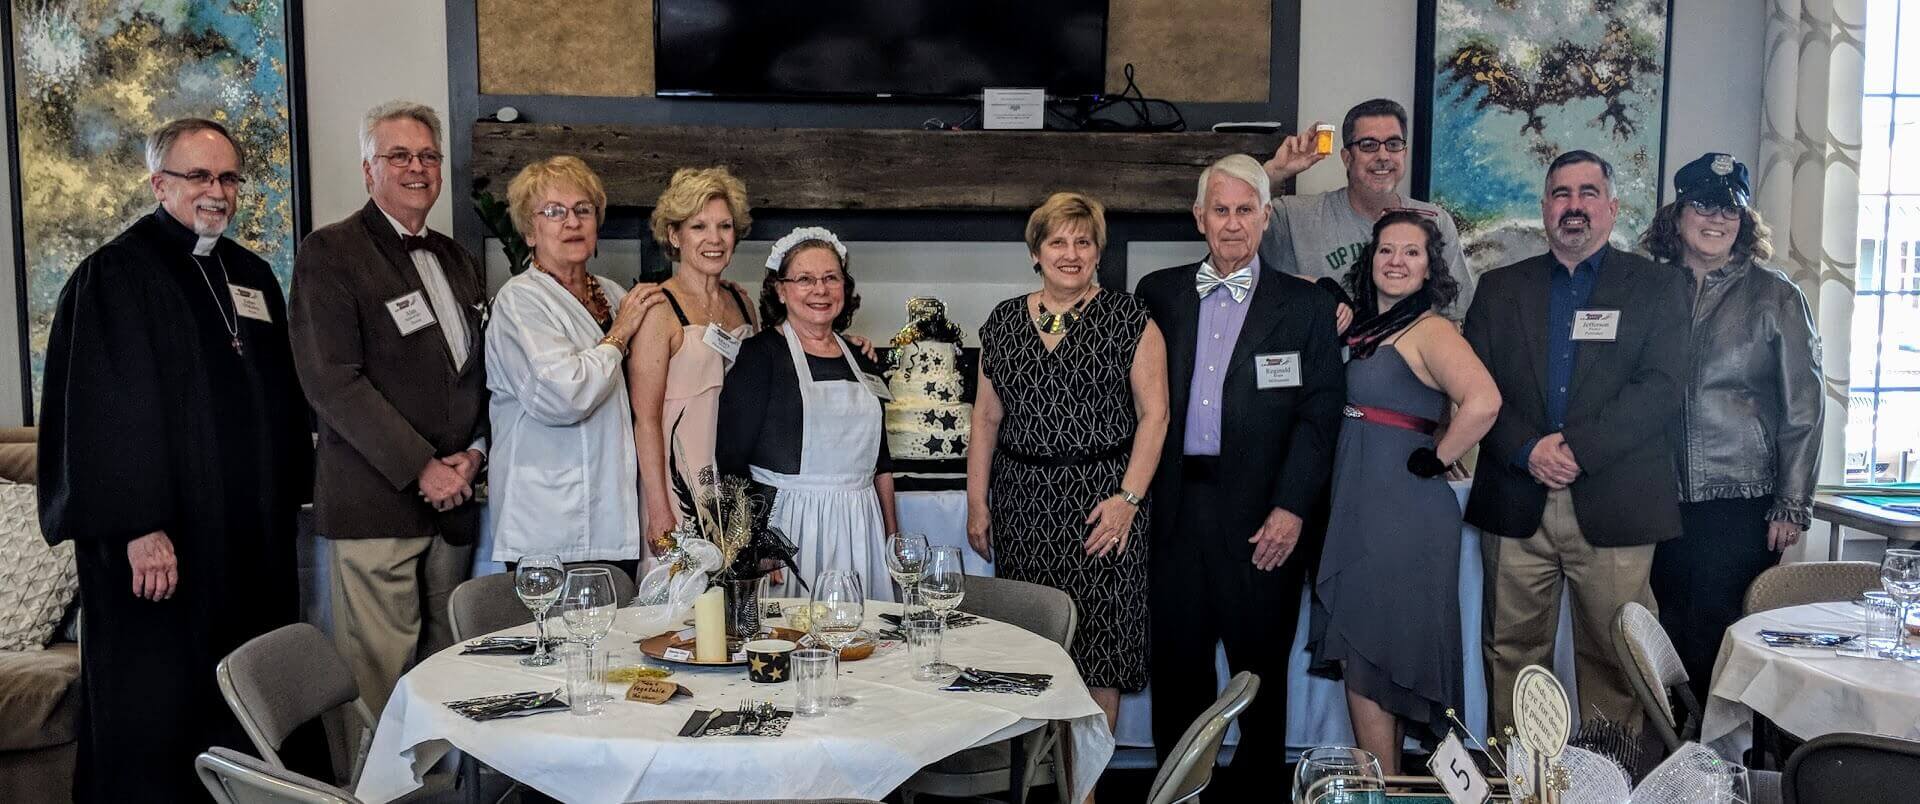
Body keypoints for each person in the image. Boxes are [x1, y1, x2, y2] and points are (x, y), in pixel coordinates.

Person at [38, 118, 314, 802]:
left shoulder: (248, 273)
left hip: (247, 546)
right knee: (162, 711)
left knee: (249, 693)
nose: (216, 191)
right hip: (162, 554)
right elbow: (103, 420)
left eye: (227, 177)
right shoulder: (114, 276)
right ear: (160, 183)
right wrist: (140, 528)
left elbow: (277, 397)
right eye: (199, 176)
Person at [1463, 150, 1690, 735]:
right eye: (1562, 194)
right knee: (1512, 655)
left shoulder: (1658, 287)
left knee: (1617, 661)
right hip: (1517, 496)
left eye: (1589, 193)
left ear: (1612, 209)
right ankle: (1522, 786)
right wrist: (1528, 449)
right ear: (1544, 208)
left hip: (1615, 501)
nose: (1574, 206)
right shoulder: (1498, 288)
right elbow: (1474, 385)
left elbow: (1661, 389)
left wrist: (1576, 450)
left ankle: (1603, 786)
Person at [1136, 155, 1344, 785]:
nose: (1232, 224)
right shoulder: (1158, 293)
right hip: (1174, 512)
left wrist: (1292, 508)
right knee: (1178, 673)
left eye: (1245, 210)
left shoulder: (1306, 305)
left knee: (1259, 678)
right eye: (1220, 210)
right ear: (1199, 217)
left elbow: (1319, 416)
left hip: (1263, 518)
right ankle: (1178, 795)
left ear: (1266, 216)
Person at [289, 101, 489, 717]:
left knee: (448, 677)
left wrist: (474, 457)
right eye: (398, 155)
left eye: (428, 156)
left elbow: (479, 375)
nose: (417, 168)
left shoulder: (456, 258)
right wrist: (425, 467)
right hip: (375, 507)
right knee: (375, 686)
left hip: (453, 510)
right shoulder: (331, 253)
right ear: (368, 169)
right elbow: (332, 383)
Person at [967, 192, 1169, 730]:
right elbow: (985, 419)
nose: (1071, 253)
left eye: (1084, 241)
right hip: (1023, 504)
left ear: (1099, 252)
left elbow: (1157, 416)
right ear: (1036, 252)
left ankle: (1086, 787)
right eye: (1057, 241)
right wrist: (976, 501)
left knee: (1101, 648)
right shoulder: (1004, 321)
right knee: (1031, 645)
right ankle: (1036, 777)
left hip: (1102, 505)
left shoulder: (1131, 319)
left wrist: (1128, 501)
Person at [1308, 210, 1500, 774]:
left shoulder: (1431, 330)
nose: (1396, 261)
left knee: (1370, 652)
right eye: (1386, 250)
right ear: (1370, 261)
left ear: (1428, 267)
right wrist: (1322, 289)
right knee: (1363, 655)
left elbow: (1484, 401)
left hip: (1400, 507)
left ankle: (1381, 787)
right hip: (1360, 498)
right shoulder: (1370, 326)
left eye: (1411, 252)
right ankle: (1382, 785)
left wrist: (1437, 456)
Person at [1642, 153, 1822, 704]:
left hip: (1742, 499)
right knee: (1665, 634)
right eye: (1703, 205)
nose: (1716, 219)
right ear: (1677, 215)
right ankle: (1678, 767)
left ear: (1744, 221)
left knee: (1718, 634)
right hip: (1657, 496)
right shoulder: (1648, 287)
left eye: (1730, 209)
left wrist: (1792, 503)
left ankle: (1718, 764)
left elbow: (1805, 407)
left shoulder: (1776, 295)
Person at [486, 155, 661, 578]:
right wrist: (618, 336)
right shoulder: (519, 300)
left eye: (583, 210)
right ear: (530, 231)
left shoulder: (615, 294)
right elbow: (563, 395)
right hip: (548, 525)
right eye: (554, 212)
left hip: (614, 519)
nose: (572, 222)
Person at [715, 228, 898, 596]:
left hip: (861, 525)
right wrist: (756, 542)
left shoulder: (862, 359)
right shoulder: (759, 356)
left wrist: (892, 535)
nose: (820, 289)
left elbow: (880, 461)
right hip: (789, 531)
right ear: (780, 290)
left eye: (831, 278)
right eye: (805, 279)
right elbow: (730, 459)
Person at [632, 167, 759, 551]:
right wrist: (658, 509)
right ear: (674, 235)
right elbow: (646, 419)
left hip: (736, 485)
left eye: (724, 226)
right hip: (680, 482)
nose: (714, 239)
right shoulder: (659, 308)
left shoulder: (743, 303)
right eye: (699, 227)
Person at [1260, 98, 1475, 324]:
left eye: (1393, 144)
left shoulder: (1434, 221)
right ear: (1347, 158)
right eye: (1369, 145)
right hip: (1322, 356)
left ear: (1404, 153)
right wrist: (1274, 171)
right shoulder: (1294, 217)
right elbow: (1224, 224)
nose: (1383, 156)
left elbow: (1456, 317)